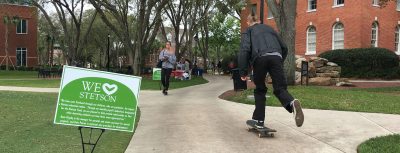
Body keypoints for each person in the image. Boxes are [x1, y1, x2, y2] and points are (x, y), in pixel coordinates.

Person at [238, 14, 304, 129]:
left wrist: (243, 72)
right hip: (276, 57)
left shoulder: (248, 31)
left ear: (248, 23)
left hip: (260, 58)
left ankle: (258, 120)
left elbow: (244, 50)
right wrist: (278, 61)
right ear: (259, 20)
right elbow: (284, 48)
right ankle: (292, 103)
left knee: (260, 89)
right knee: (280, 88)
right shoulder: (270, 29)